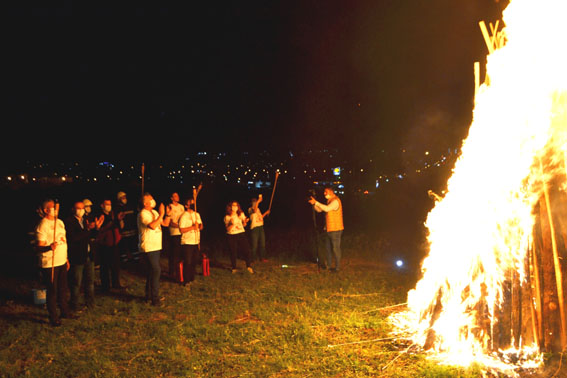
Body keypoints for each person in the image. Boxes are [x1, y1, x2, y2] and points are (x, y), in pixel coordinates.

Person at [35, 199, 76, 326]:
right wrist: (49, 247)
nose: (56, 209)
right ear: (47, 210)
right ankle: (53, 316)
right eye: (53, 207)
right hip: (49, 263)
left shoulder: (60, 222)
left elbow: (64, 241)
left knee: (63, 288)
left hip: (61, 260)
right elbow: (38, 247)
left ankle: (65, 311)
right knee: (52, 290)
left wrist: (66, 258)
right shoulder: (43, 225)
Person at [65, 201, 103, 311]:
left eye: (82, 208)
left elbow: (91, 237)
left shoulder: (86, 220)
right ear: (73, 209)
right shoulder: (69, 222)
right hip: (77, 257)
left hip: (89, 255)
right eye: (78, 208)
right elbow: (74, 238)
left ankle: (90, 303)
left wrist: (96, 228)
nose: (81, 210)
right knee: (76, 282)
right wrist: (87, 229)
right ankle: (74, 304)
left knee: (90, 282)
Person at [137, 193, 168, 306]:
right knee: (156, 270)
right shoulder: (142, 214)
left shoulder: (154, 212)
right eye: (151, 199)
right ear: (145, 203)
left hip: (156, 246)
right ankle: (155, 299)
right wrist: (162, 214)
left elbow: (164, 223)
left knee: (152, 272)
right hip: (148, 247)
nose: (153, 200)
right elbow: (152, 226)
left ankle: (148, 296)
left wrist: (167, 215)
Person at [308, 187, 344, 272]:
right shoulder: (329, 201)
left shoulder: (335, 201)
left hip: (336, 229)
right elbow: (320, 210)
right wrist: (314, 204)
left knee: (335, 249)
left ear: (331, 192)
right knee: (328, 248)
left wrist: (316, 202)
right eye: (324, 192)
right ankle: (328, 265)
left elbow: (327, 209)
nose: (324, 193)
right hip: (329, 229)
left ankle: (337, 268)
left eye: (326, 191)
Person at [96, 198, 125, 292]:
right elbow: (99, 229)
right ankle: (105, 286)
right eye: (107, 204)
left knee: (115, 265)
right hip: (105, 244)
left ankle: (116, 283)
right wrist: (112, 222)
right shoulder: (100, 216)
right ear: (102, 205)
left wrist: (119, 220)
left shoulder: (113, 214)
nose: (109, 206)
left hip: (115, 243)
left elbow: (120, 226)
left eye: (110, 204)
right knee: (105, 266)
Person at [178, 198, 203, 288]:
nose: (192, 204)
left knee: (194, 261)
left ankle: (192, 278)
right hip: (187, 242)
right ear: (186, 205)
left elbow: (201, 226)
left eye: (193, 203)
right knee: (187, 262)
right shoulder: (183, 216)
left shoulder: (197, 214)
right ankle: (186, 280)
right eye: (190, 203)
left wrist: (199, 226)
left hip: (196, 241)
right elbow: (181, 230)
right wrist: (192, 227)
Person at [224, 201, 253, 274]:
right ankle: (234, 268)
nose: (235, 207)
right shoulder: (227, 217)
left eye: (236, 205)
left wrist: (245, 221)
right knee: (233, 252)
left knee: (247, 250)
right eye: (233, 206)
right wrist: (231, 223)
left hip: (241, 233)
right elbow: (228, 229)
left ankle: (248, 266)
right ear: (230, 207)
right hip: (232, 235)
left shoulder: (241, 214)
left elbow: (244, 225)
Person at [165, 192, 184, 282]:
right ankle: (171, 271)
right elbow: (170, 222)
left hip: (182, 233)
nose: (178, 197)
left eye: (178, 195)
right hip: (174, 233)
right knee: (174, 253)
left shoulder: (181, 207)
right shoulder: (169, 207)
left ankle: (179, 270)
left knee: (180, 253)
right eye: (175, 196)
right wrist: (180, 227)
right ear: (172, 198)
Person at [115, 191, 138, 262]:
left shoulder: (130, 206)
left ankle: (136, 260)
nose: (124, 198)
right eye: (122, 197)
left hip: (132, 231)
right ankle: (124, 262)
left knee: (134, 247)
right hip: (123, 232)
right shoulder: (117, 208)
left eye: (125, 197)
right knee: (123, 248)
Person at [248, 194, 270, 262]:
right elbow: (254, 211)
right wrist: (258, 201)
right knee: (254, 245)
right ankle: (252, 259)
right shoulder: (250, 209)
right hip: (254, 228)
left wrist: (266, 213)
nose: (255, 202)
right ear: (252, 203)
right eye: (254, 202)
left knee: (262, 243)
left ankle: (262, 258)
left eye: (255, 201)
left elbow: (260, 217)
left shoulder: (258, 209)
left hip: (261, 227)